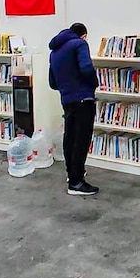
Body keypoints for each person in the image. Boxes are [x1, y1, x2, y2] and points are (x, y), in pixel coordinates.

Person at [48, 23, 100, 196]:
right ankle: (77, 183)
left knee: (70, 138)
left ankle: (72, 175)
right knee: (81, 140)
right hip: (83, 98)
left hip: (67, 99)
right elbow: (86, 68)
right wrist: (93, 85)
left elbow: (52, 83)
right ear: (83, 35)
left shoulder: (54, 51)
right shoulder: (80, 44)